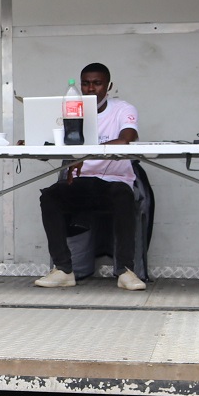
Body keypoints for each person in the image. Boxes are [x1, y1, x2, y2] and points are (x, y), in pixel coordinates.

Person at [34, 62, 146, 291]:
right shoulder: (70, 108)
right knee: (50, 197)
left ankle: (125, 271)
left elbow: (127, 138)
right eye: (86, 83)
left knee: (123, 196)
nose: (91, 88)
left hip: (114, 182)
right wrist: (32, 143)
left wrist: (85, 155)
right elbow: (52, 142)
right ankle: (63, 270)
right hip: (82, 182)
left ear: (109, 86)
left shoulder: (123, 109)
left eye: (97, 83)